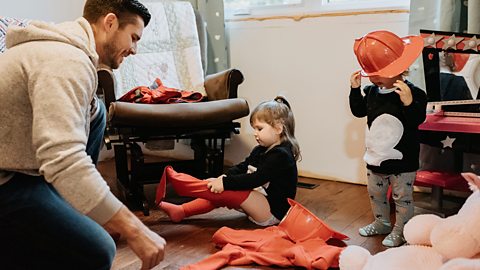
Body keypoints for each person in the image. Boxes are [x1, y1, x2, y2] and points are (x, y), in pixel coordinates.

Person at [0, 1, 166, 269]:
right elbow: (64, 160)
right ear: (109, 22)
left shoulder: (74, 54)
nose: (134, 50)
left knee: (95, 111)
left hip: (21, 165)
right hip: (6, 180)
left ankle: (71, 211)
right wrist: (135, 229)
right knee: (96, 251)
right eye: (133, 38)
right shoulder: (66, 62)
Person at [156, 96, 300, 226]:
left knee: (230, 189)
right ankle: (182, 211)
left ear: (278, 128)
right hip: (260, 204)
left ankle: (185, 185)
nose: (255, 133)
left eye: (259, 129)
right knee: (220, 190)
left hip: (272, 213)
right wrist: (224, 177)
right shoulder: (260, 150)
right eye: (254, 129)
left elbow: (256, 179)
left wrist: (225, 183)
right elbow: (243, 167)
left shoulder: (281, 155)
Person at [349, 30, 427, 247]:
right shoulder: (372, 92)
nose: (373, 77)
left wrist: (409, 102)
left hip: (403, 162)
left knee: (402, 198)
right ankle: (382, 222)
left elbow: (416, 120)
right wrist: (355, 91)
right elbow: (358, 112)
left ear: (400, 67)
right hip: (375, 159)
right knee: (376, 194)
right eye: (370, 73)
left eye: (378, 72)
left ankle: (402, 230)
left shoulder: (414, 93)